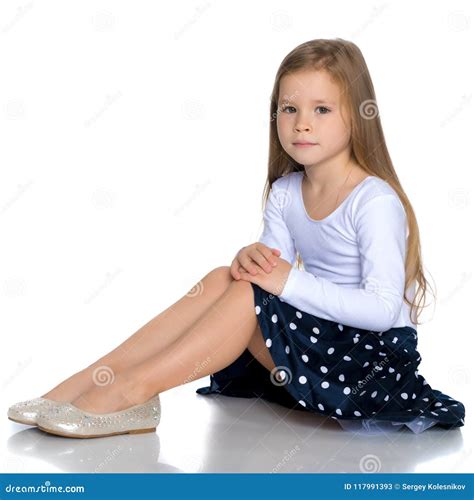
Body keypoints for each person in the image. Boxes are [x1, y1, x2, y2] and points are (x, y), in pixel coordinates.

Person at [7, 38, 465, 438]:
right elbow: (268, 273)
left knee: (250, 293)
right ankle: (97, 379)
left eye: (321, 110)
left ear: (358, 118)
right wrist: (254, 259)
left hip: (368, 363)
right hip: (318, 340)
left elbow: (383, 311)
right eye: (290, 109)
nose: (302, 123)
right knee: (224, 276)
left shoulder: (374, 201)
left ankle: (133, 390)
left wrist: (284, 281)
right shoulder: (287, 192)